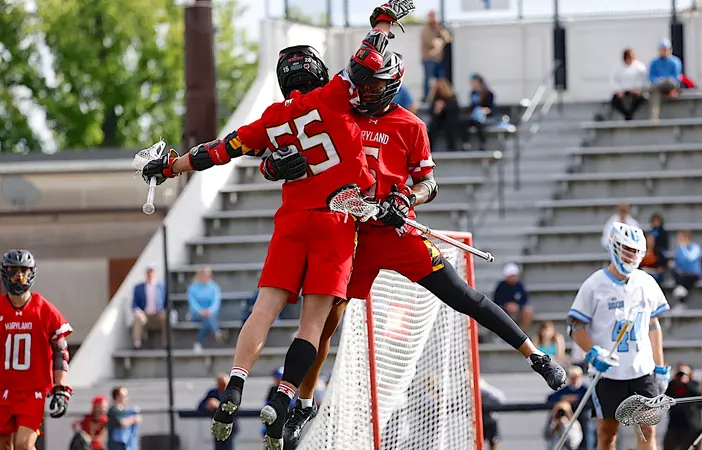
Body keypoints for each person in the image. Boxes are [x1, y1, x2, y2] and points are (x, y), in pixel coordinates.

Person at [140, 6, 411, 449]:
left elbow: (217, 152)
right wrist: (382, 19)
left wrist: (170, 166)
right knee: (313, 324)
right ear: (319, 74)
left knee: (263, 310)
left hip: (291, 221)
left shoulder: (269, 119)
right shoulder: (334, 96)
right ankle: (284, 397)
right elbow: (369, 57)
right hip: (336, 220)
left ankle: (236, 384)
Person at [280, 52, 566, 449]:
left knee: (463, 296)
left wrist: (405, 198)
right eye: (362, 83)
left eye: (374, 85)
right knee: (325, 323)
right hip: (353, 236)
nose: (365, 90)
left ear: (392, 85)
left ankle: (536, 356)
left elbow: (429, 183)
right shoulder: (342, 115)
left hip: (397, 234)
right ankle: (304, 403)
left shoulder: (410, 125)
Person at [567, 222, 671, 450]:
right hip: (609, 372)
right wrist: (592, 353)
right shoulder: (594, 285)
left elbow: (653, 326)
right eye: (628, 249)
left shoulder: (646, 283)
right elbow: (575, 326)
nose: (632, 255)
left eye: (636, 251)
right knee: (607, 434)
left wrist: (660, 366)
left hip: (642, 370)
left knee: (647, 430)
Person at [0, 249, 74, 450]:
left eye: (23, 270)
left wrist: (60, 388)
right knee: (4, 445)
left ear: (31, 272)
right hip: (2, 389)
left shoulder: (44, 309)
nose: (18, 275)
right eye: (13, 270)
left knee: (24, 445)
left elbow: (61, 353)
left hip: (33, 391)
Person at [663, 364, 702, 450]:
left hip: (691, 423)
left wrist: (687, 383)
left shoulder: (694, 384)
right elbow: (664, 395)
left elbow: (699, 395)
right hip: (674, 423)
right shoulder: (672, 385)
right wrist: (673, 381)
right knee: (669, 444)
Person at [187, 266, 225, 353]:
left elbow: (216, 302)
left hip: (210, 314)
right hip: (196, 314)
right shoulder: (192, 288)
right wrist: (200, 311)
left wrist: (210, 311)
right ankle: (217, 332)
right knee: (208, 319)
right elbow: (193, 303)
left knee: (206, 321)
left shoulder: (214, 287)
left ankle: (198, 343)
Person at [131, 264, 166, 349]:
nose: (150, 274)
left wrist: (164, 310)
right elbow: (134, 304)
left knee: (165, 317)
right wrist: (138, 312)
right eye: (148, 272)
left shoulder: (162, 286)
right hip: (145, 314)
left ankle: (165, 340)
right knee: (138, 319)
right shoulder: (138, 288)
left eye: (152, 272)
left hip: (158, 314)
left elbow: (166, 302)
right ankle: (137, 342)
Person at [198, 373, 238, 450]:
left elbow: (234, 407)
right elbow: (200, 406)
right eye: (220, 383)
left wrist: (218, 405)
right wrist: (208, 405)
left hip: (230, 428)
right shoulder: (213, 392)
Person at [462, 73, 496, 151]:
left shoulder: (488, 93)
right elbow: (472, 106)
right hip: (475, 115)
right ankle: (466, 143)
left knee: (479, 124)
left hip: (485, 115)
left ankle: (483, 143)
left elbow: (490, 107)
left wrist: (484, 110)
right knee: (464, 123)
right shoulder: (473, 93)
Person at [611, 48, 647, 121]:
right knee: (614, 101)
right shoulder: (619, 67)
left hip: (635, 91)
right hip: (623, 91)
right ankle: (627, 114)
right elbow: (614, 80)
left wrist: (638, 88)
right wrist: (618, 90)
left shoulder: (640, 67)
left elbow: (644, 79)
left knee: (641, 98)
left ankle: (630, 114)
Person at [493, 262, 532, 328]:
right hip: (505, 309)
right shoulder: (501, 286)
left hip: (518, 309)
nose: (513, 278)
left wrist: (518, 306)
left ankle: (523, 331)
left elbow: (525, 299)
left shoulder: (519, 286)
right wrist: (506, 305)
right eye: (511, 276)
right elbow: (496, 300)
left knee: (528, 311)